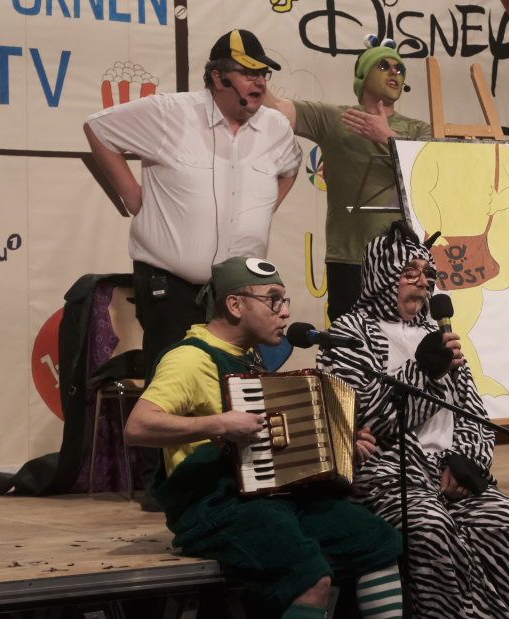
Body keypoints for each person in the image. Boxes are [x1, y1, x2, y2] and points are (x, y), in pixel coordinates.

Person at [85, 29, 301, 508]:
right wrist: (131, 195)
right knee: (170, 372)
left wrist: (263, 211)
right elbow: (98, 128)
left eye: (263, 73)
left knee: (236, 375)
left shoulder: (274, 127)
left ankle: (235, 472)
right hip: (172, 276)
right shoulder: (171, 113)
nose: (259, 82)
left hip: (238, 284)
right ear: (218, 78)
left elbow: (291, 167)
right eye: (248, 73)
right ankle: (163, 486)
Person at [123, 256, 404, 619]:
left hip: (266, 499)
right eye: (273, 300)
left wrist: (342, 447)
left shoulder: (249, 358)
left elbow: (272, 444)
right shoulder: (189, 359)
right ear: (235, 304)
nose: (284, 312)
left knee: (377, 542)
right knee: (309, 577)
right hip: (213, 509)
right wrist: (218, 424)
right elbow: (138, 427)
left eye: (284, 300)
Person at [317, 222, 509, 618]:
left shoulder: (437, 332)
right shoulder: (348, 334)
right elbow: (363, 421)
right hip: (389, 479)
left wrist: (466, 463)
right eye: (409, 272)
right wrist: (423, 374)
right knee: (431, 528)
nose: (422, 282)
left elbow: (474, 412)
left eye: (428, 273)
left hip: (450, 474)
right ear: (381, 275)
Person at [265, 36, 431, 319]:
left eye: (400, 69)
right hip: (349, 258)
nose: (395, 72)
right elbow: (277, 108)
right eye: (384, 65)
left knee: (405, 337)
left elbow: (429, 172)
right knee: (348, 338)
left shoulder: (419, 130)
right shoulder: (335, 118)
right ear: (362, 76)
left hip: (405, 259)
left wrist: (386, 136)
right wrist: (254, 74)